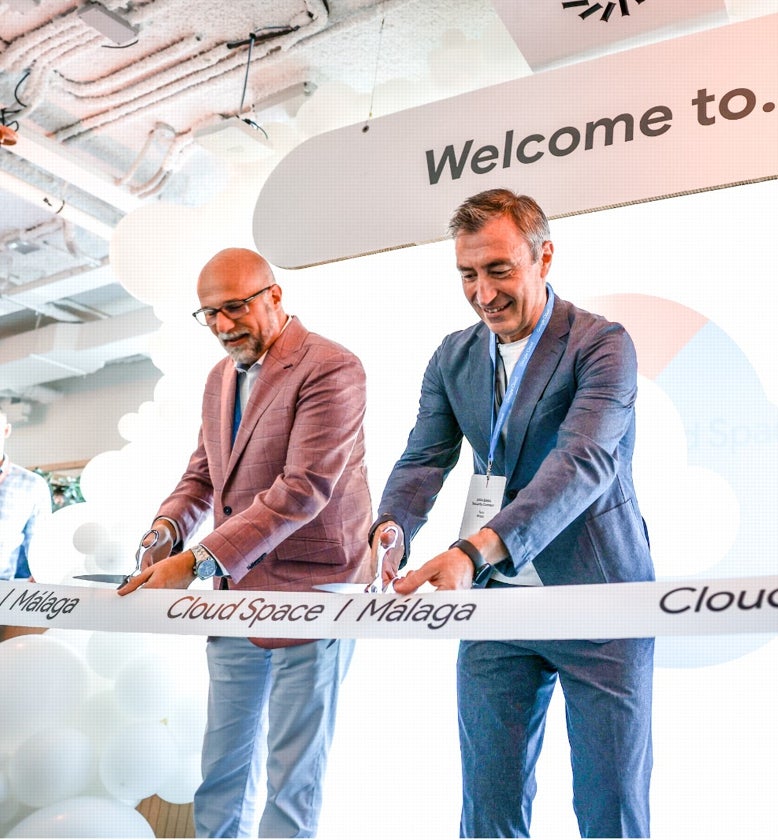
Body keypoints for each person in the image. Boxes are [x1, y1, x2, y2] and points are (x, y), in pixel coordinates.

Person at [372, 188, 654, 837]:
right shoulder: (453, 356)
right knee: (488, 810)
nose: (482, 293)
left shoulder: (602, 345)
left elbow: (583, 461)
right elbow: (423, 459)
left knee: (610, 812)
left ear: (543, 257)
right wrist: (391, 531)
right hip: (495, 607)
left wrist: (472, 551)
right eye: (467, 274)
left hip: (600, 601)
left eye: (498, 270)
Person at [118, 248, 373, 838]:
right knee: (221, 770)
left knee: (293, 779)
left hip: (317, 596)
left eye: (234, 308)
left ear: (275, 296)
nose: (223, 326)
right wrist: (165, 532)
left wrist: (196, 559)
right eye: (209, 314)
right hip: (236, 598)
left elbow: (303, 489)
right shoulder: (218, 379)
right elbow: (203, 477)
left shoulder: (332, 367)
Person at [0, 409, 51, 582]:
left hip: (4, 590)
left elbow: (39, 542)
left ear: (6, 430)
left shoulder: (32, 484)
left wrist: (41, 573)